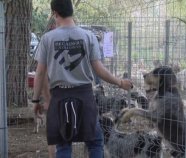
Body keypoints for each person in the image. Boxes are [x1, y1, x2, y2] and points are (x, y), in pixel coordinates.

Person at [31, 1, 133, 158]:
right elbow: (99, 70)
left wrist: (36, 101)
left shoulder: (47, 39)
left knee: (63, 144)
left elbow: (39, 73)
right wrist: (120, 82)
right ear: (72, 12)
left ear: (54, 13)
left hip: (59, 97)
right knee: (95, 142)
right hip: (84, 96)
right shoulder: (88, 36)